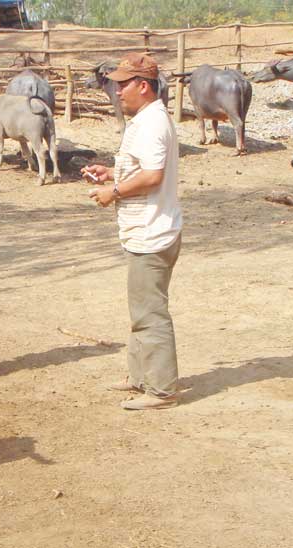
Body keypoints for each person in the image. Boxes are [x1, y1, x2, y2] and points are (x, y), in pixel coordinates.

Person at [81, 53, 182, 411]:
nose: (118, 91)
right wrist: (112, 173)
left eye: (124, 84)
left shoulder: (152, 122)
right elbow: (144, 168)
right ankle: (141, 377)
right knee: (141, 308)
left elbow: (153, 176)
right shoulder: (146, 119)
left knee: (150, 313)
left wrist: (114, 191)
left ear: (143, 86)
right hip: (147, 228)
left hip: (151, 231)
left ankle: (162, 390)